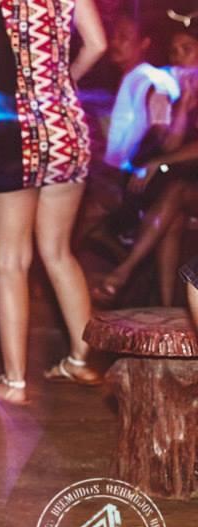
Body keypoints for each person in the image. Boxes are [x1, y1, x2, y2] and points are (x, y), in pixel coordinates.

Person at [0, 0, 107, 405]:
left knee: (10, 261)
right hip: (66, 127)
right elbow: (97, 44)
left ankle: (14, 382)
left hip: (13, 134)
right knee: (58, 251)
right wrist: (61, 85)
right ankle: (81, 359)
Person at [92, 12, 198, 307]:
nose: (178, 58)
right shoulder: (177, 94)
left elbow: (173, 154)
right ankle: (166, 308)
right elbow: (170, 144)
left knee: (174, 191)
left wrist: (159, 163)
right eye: (174, 51)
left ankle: (124, 271)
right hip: (185, 186)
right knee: (171, 215)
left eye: (187, 49)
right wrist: (184, 106)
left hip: (185, 185)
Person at [77, 12, 177, 270]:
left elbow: (163, 139)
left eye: (124, 37)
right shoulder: (125, 82)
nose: (115, 43)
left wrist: (132, 169)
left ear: (144, 44)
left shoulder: (151, 84)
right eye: (114, 36)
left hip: (130, 185)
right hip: (113, 179)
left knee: (81, 215)